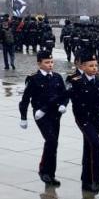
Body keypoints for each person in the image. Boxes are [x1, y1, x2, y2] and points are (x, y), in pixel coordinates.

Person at [18, 49, 69, 186]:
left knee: (54, 143)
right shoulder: (33, 79)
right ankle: (44, 171)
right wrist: (23, 117)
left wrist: (63, 105)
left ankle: (51, 173)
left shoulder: (57, 77)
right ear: (39, 63)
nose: (50, 65)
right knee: (51, 140)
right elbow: (25, 99)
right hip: (41, 114)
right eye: (47, 62)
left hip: (55, 114)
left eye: (51, 62)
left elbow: (64, 95)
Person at [67, 52, 99, 192]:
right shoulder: (76, 81)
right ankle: (96, 179)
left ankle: (86, 180)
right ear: (82, 67)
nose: (94, 68)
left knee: (89, 146)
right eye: (91, 65)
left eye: (96, 65)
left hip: (96, 118)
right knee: (97, 145)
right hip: (82, 118)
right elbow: (64, 95)